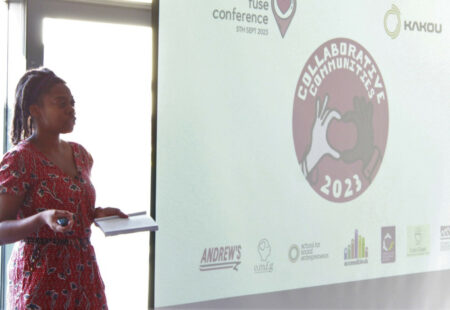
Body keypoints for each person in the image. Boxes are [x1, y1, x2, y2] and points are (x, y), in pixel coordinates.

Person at [0, 68, 127, 309]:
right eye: (61, 103)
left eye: (72, 102)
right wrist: (41, 219)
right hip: (40, 278)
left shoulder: (80, 154)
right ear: (34, 110)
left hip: (84, 273)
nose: (71, 109)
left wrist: (95, 213)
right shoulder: (20, 159)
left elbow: (71, 209)